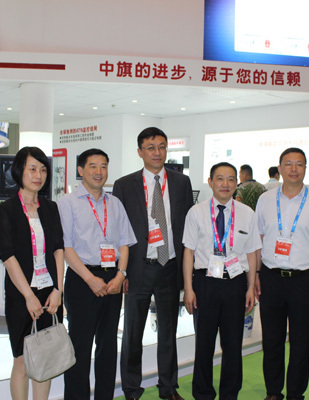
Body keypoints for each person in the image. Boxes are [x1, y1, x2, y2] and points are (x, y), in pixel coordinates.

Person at [113, 127, 194, 400]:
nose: (157, 152)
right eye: (150, 147)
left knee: (168, 332)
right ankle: (131, 389)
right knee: (132, 333)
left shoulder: (181, 182)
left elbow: (186, 227)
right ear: (140, 152)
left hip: (170, 265)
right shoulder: (124, 185)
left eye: (161, 146)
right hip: (138, 267)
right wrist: (122, 271)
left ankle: (168, 388)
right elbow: (118, 231)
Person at [255, 147, 309, 400]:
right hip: (270, 278)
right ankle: (273, 392)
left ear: (305, 169)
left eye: (299, 164)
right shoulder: (265, 200)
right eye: (288, 164)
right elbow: (258, 240)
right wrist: (255, 274)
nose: (293, 169)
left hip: (304, 280)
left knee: (301, 342)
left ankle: (295, 394)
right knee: (272, 340)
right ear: (279, 168)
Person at [57, 148, 136, 400]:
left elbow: (124, 243)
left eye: (103, 166)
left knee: (108, 345)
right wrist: (90, 279)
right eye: (92, 166)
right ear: (81, 170)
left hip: (112, 280)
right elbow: (66, 247)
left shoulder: (115, 203)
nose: (99, 171)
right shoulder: (67, 203)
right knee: (79, 347)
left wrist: (121, 275)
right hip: (83, 280)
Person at [182, 162, 260, 400]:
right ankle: (203, 393)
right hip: (204, 283)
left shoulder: (247, 213)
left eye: (231, 179)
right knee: (204, 343)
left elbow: (252, 253)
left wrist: (250, 287)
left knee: (233, 344)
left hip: (235, 282)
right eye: (220, 178)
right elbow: (188, 253)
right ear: (210, 182)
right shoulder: (196, 212)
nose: (225, 184)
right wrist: (188, 289)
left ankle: (229, 393)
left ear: (237, 183)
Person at [0, 146, 65, 400]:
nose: (38, 175)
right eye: (32, 169)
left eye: (43, 170)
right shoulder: (7, 209)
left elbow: (58, 249)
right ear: (19, 171)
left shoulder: (50, 207)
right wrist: (28, 296)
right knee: (23, 361)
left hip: (49, 294)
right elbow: (8, 256)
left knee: (45, 359)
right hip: (21, 296)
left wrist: (58, 290)